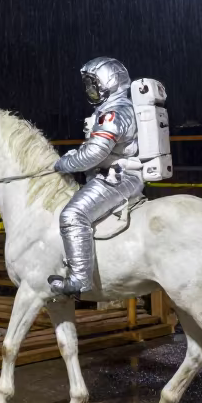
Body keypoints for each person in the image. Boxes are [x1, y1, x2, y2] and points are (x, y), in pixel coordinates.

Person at [48, 57, 143, 297]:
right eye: (88, 85)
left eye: (93, 84)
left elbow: (95, 152)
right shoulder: (115, 107)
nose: (89, 90)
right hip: (115, 173)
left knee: (73, 214)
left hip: (117, 177)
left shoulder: (115, 111)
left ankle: (79, 280)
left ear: (108, 83)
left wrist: (63, 163)